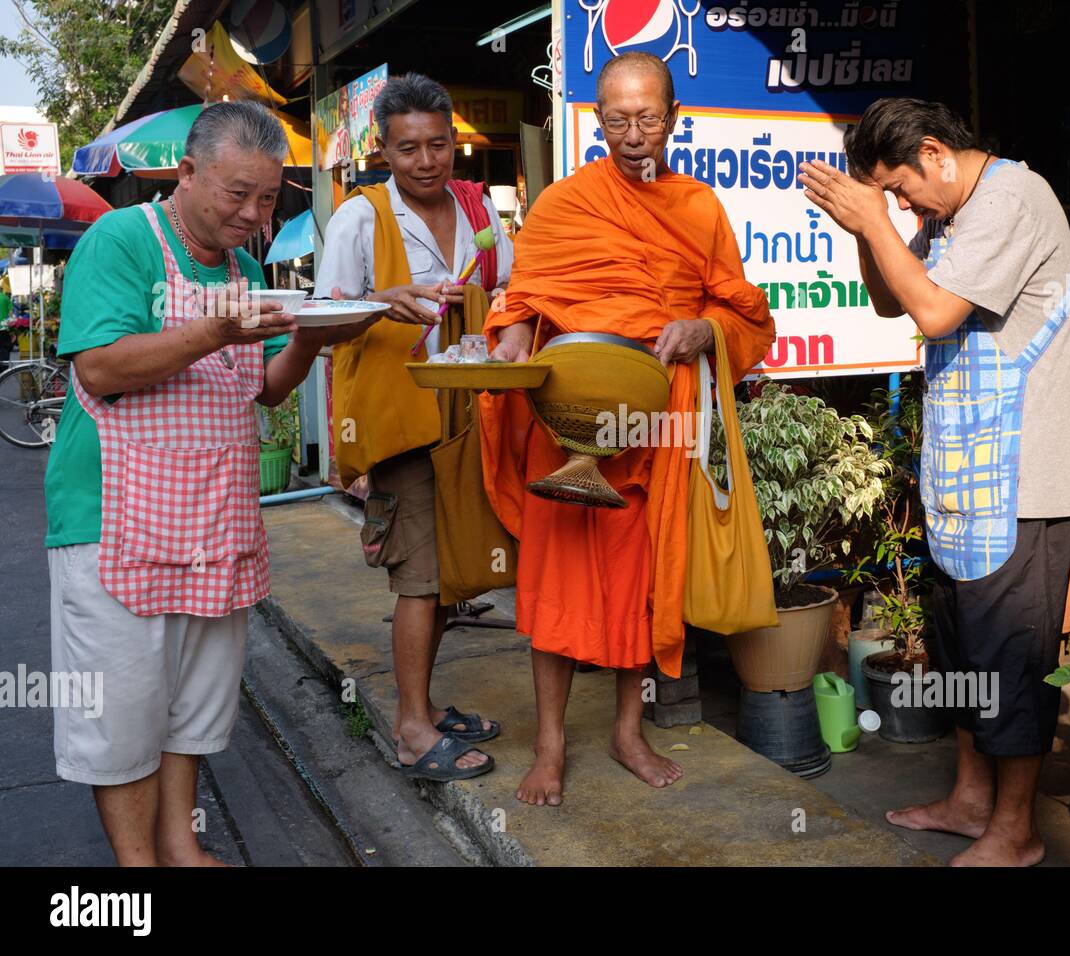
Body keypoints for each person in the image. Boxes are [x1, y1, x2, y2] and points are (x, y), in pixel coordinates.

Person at [44, 101, 375, 866]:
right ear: (187, 174)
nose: (255, 214)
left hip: (211, 520)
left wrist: (313, 338)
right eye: (237, 194)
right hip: (113, 520)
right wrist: (216, 330)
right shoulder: (121, 241)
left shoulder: (247, 269)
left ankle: (178, 847)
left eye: (269, 198)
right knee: (123, 712)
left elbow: (262, 387)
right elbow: (99, 366)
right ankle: (139, 868)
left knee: (193, 703)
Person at [799, 98, 1070, 866]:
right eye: (890, 198)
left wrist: (877, 221)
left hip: (1022, 483)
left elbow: (931, 313)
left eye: (901, 188)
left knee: (1013, 665)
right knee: (961, 656)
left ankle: (1016, 831)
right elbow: (891, 297)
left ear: (934, 152)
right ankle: (969, 801)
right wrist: (866, 230)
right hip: (965, 481)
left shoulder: (1011, 199)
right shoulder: (952, 214)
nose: (902, 206)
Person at [482, 52, 775, 807]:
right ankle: (549, 747)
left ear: (674, 119)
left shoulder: (700, 207)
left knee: (643, 584)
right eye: (618, 119)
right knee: (555, 586)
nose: (634, 134)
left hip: (657, 421)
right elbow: (520, 302)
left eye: (648, 118)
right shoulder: (563, 203)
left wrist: (701, 329)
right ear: (596, 120)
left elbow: (744, 315)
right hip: (567, 418)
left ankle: (626, 729)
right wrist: (511, 341)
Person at [315, 73, 514, 782]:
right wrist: (378, 300)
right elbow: (323, 320)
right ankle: (409, 729)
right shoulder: (360, 218)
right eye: (408, 149)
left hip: (466, 417)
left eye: (437, 145)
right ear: (383, 150)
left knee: (451, 576)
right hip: (403, 425)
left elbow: (510, 295)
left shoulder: (475, 209)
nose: (427, 162)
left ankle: (423, 707)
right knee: (420, 581)